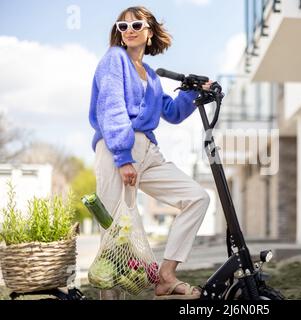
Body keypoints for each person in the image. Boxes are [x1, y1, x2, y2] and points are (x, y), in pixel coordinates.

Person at [88, 6, 212, 300]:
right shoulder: (114, 60)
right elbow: (112, 108)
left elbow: (171, 112)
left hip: (149, 152)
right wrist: (123, 157)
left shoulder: (153, 78)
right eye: (122, 26)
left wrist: (194, 92)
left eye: (136, 25)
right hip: (118, 148)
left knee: (197, 197)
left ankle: (166, 275)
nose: (128, 30)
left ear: (150, 31)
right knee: (116, 235)